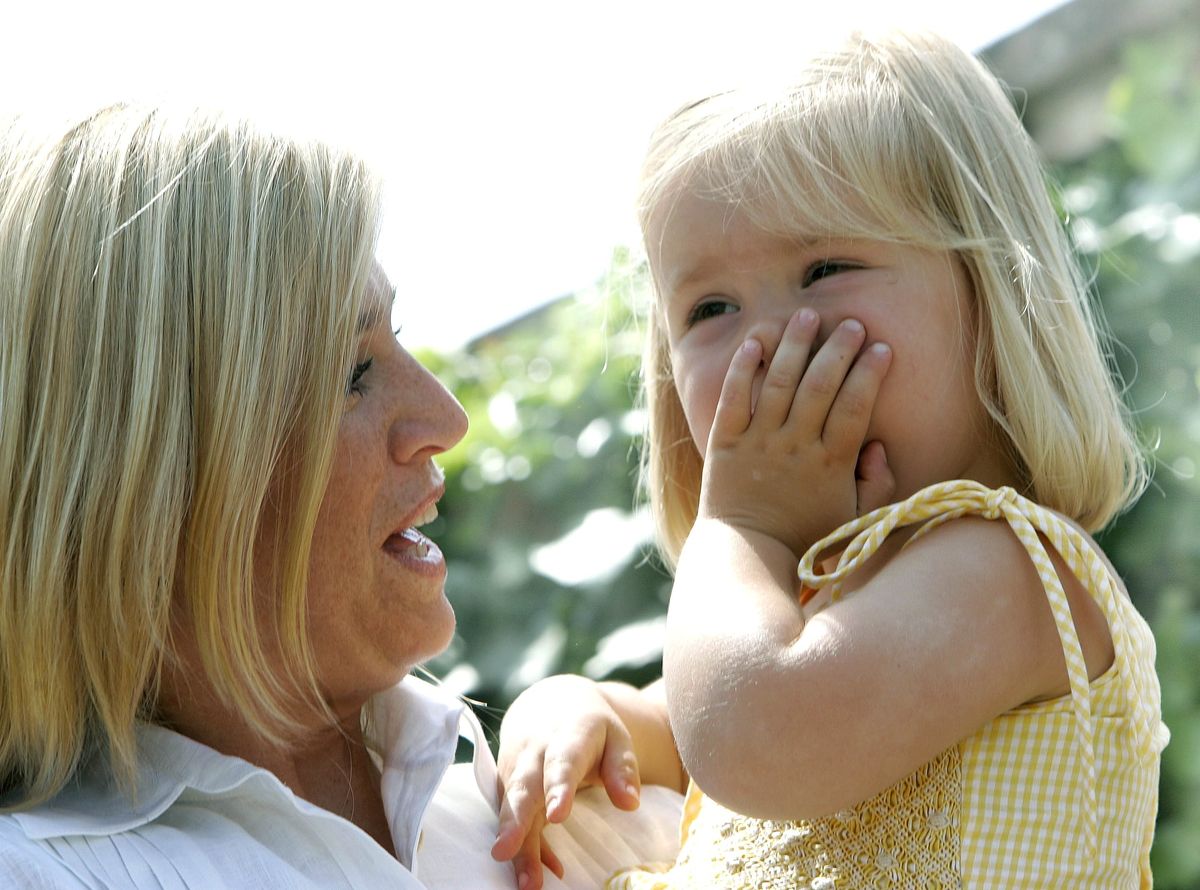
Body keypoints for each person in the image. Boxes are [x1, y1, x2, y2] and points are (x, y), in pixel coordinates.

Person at [494, 29, 1169, 888]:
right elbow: (677, 727)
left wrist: (740, 526)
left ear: (988, 288)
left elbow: (750, 737)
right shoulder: (803, 611)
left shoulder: (1013, 572)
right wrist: (578, 706)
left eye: (825, 267)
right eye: (710, 309)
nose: (768, 346)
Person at [0, 103, 486, 888]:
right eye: (348, 372)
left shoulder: (526, 801)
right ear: (149, 487)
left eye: (399, 337)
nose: (445, 420)